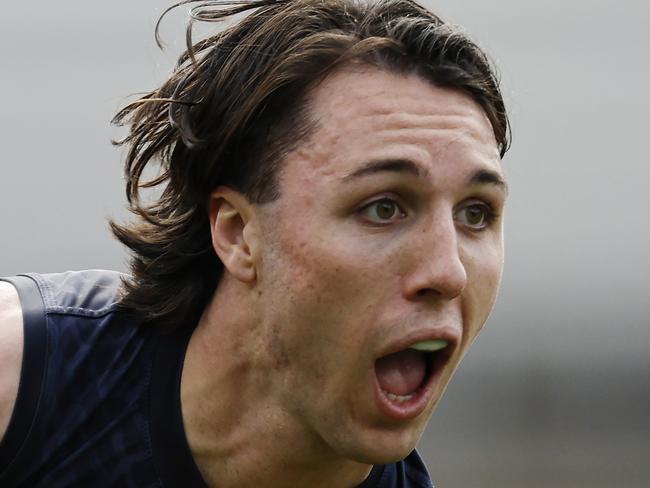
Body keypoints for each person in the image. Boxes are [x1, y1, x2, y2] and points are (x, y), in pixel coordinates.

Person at [0, 0, 510, 486]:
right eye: (382, 208)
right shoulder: (24, 380)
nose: (449, 272)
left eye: (475, 213)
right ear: (238, 232)